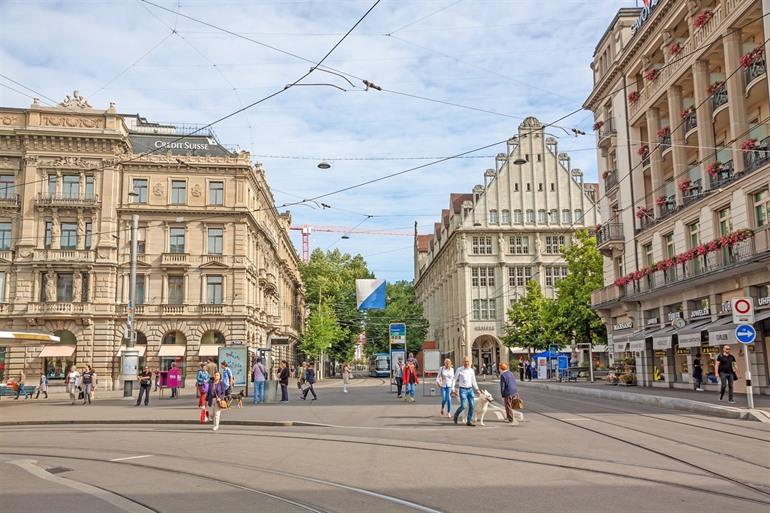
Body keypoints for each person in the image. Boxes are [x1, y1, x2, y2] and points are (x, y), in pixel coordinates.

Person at [452, 356, 480, 427]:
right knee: (464, 406)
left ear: (470, 362)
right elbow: (454, 379)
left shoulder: (471, 370)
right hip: (462, 390)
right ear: (463, 362)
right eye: (465, 361)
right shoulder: (459, 369)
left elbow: (474, 381)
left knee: (472, 406)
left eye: (468, 362)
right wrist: (453, 388)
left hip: (470, 390)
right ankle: (456, 415)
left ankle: (469, 421)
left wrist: (477, 389)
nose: (466, 363)